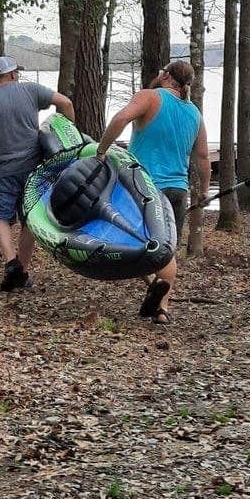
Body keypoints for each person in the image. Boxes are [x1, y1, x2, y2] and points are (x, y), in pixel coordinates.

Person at [96, 59, 210, 324]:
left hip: (145, 186)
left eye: (162, 71)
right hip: (178, 190)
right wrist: (203, 190)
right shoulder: (194, 113)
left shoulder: (150, 97)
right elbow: (203, 157)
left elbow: (121, 118)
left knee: (135, 242)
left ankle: (155, 289)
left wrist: (102, 150)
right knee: (165, 250)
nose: (159, 74)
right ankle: (162, 307)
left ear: (168, 77)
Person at [0, 56, 75, 292]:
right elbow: (66, 102)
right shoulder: (31, 90)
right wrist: (68, 134)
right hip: (33, 168)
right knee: (29, 219)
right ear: (13, 74)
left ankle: (12, 264)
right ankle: (23, 270)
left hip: (2, 170)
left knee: (0, 216)